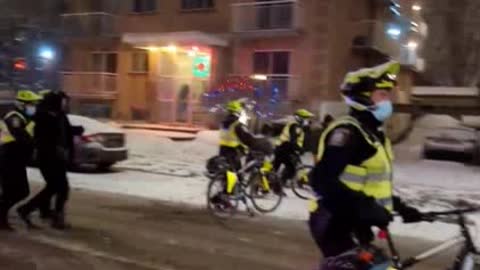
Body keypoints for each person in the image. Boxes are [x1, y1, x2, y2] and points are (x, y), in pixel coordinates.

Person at [308, 61, 426, 261]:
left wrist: (400, 208)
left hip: (354, 221)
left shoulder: (373, 135)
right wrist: (365, 207)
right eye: (382, 95)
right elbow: (321, 180)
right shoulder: (348, 132)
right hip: (334, 222)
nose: (387, 101)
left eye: (388, 95)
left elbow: (372, 184)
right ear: (362, 97)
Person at [18, 91, 74, 229]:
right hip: (48, 158)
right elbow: (41, 138)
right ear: (55, 102)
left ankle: (41, 211)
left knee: (56, 187)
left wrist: (76, 131)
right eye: (63, 101)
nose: (65, 104)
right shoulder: (43, 116)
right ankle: (42, 213)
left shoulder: (59, 115)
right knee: (58, 187)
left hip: (59, 158)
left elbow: (65, 132)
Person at [0, 90, 41, 230]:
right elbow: (21, 137)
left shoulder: (25, 118)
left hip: (17, 161)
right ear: (22, 104)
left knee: (19, 191)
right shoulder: (14, 117)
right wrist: (35, 143)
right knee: (16, 191)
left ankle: (2, 218)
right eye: (32, 104)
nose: (34, 107)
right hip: (8, 159)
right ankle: (1, 218)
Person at [218, 100, 271, 171]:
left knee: (227, 171)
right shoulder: (237, 124)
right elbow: (247, 137)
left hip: (222, 149)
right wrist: (257, 142)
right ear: (238, 111)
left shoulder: (224, 123)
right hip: (233, 151)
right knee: (237, 173)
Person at [273, 109, 314, 185]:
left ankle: (274, 184)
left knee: (276, 167)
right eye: (305, 118)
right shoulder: (295, 126)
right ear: (299, 118)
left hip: (283, 147)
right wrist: (300, 149)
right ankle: (278, 185)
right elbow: (293, 140)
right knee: (291, 169)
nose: (307, 120)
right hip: (284, 148)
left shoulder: (297, 126)